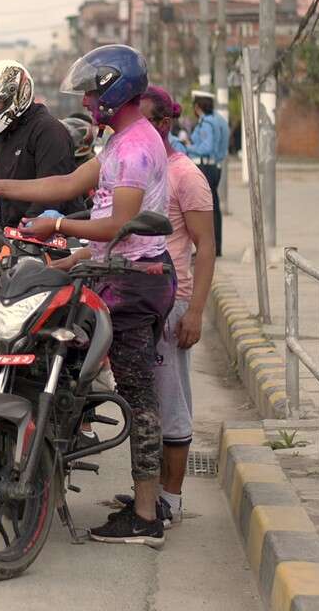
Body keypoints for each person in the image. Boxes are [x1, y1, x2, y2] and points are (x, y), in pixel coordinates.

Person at [0, 44, 176, 547]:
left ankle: (147, 516)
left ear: (114, 92)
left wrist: (60, 225)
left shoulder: (133, 149)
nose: (85, 102)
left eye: (90, 93)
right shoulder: (119, 142)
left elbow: (116, 224)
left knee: (137, 393)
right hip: (112, 270)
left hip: (135, 280)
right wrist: (2, 188)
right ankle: (56, 451)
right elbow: (67, 181)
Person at [108, 86, 215, 528]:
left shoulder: (186, 175)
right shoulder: (135, 163)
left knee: (170, 401)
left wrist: (194, 313)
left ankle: (170, 498)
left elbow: (206, 248)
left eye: (144, 120)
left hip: (171, 301)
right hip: (135, 294)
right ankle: (147, 495)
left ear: (165, 124)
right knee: (143, 397)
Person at [0, 60, 85, 227]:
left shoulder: (48, 131)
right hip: (12, 237)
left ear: (18, 97)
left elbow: (53, 193)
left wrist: (24, 230)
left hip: (50, 234)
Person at [174, 90, 227, 256]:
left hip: (206, 166)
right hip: (215, 166)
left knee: (205, 210)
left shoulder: (206, 124)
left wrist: (188, 147)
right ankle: (215, 246)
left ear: (198, 107)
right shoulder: (218, 120)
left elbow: (206, 147)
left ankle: (210, 248)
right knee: (214, 209)